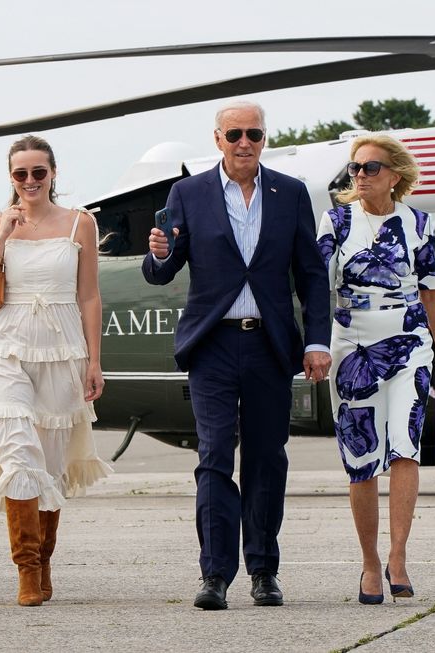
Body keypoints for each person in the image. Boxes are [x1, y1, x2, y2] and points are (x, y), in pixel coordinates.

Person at [143, 100, 332, 611]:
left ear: (264, 138)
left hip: (270, 345)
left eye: (253, 133)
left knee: (268, 459)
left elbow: (313, 276)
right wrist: (159, 253)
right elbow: (162, 271)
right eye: (234, 135)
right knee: (214, 457)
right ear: (218, 139)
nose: (244, 142)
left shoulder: (290, 194)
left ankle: (264, 571)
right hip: (213, 345)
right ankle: (215, 575)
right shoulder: (188, 193)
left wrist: (317, 341)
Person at [0, 134, 112, 606]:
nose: (29, 181)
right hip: (7, 346)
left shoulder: (79, 223)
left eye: (38, 173)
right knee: (18, 449)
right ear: (11, 178)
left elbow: (89, 295)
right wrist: (3, 237)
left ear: (53, 175)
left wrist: (95, 359)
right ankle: (26, 570)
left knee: (48, 465)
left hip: (62, 348)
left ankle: (45, 561)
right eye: (20, 174)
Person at [316, 134, 435, 605]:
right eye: (355, 168)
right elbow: (316, 284)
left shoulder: (418, 222)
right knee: (361, 459)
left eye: (370, 168)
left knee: (405, 447)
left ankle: (397, 556)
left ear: (395, 175)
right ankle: (369, 563)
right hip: (351, 345)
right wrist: (312, 344)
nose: (359, 175)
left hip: (410, 343)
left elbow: (432, 290)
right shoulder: (336, 220)